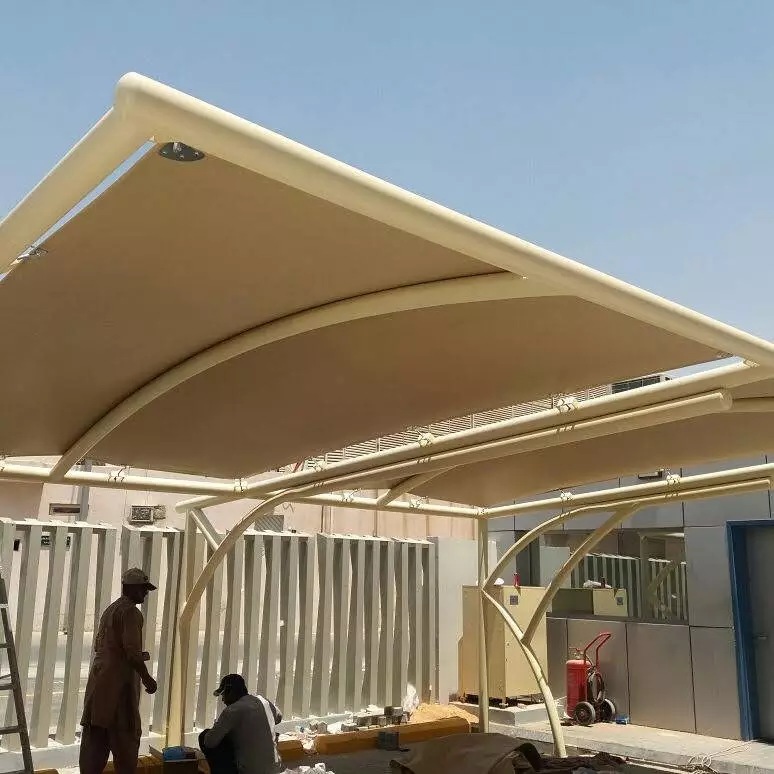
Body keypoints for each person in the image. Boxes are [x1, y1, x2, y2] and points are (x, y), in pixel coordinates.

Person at [79, 568, 158, 774]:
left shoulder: (110, 610)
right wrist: (148, 679)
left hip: (98, 691)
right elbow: (132, 654)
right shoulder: (131, 612)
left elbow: (107, 647)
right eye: (143, 589)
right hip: (119, 691)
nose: (145, 593)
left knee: (95, 745)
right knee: (126, 745)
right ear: (130, 588)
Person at [199, 674, 282, 774]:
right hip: (274, 769)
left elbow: (209, 742)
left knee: (204, 735)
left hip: (249, 771)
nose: (223, 700)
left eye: (223, 695)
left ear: (230, 692)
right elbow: (279, 718)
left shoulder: (232, 710)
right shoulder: (264, 702)